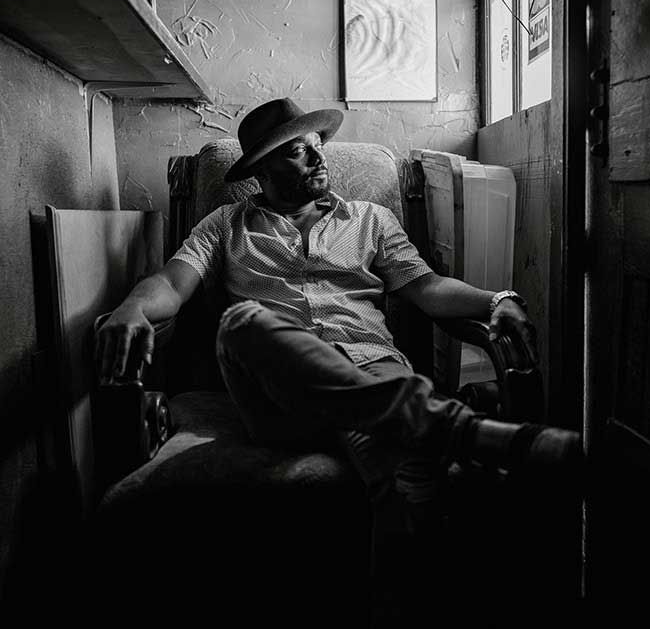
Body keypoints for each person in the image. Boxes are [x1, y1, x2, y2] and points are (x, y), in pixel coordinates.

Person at [95, 97, 581, 530]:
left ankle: (424, 442)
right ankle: (451, 425)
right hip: (280, 395)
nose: (318, 156)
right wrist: (132, 307)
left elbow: (428, 287)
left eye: (317, 145)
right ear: (262, 171)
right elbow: (170, 283)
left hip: (373, 367)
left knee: (403, 475)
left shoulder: (371, 219)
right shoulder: (225, 225)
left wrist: (498, 299)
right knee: (241, 324)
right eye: (297, 150)